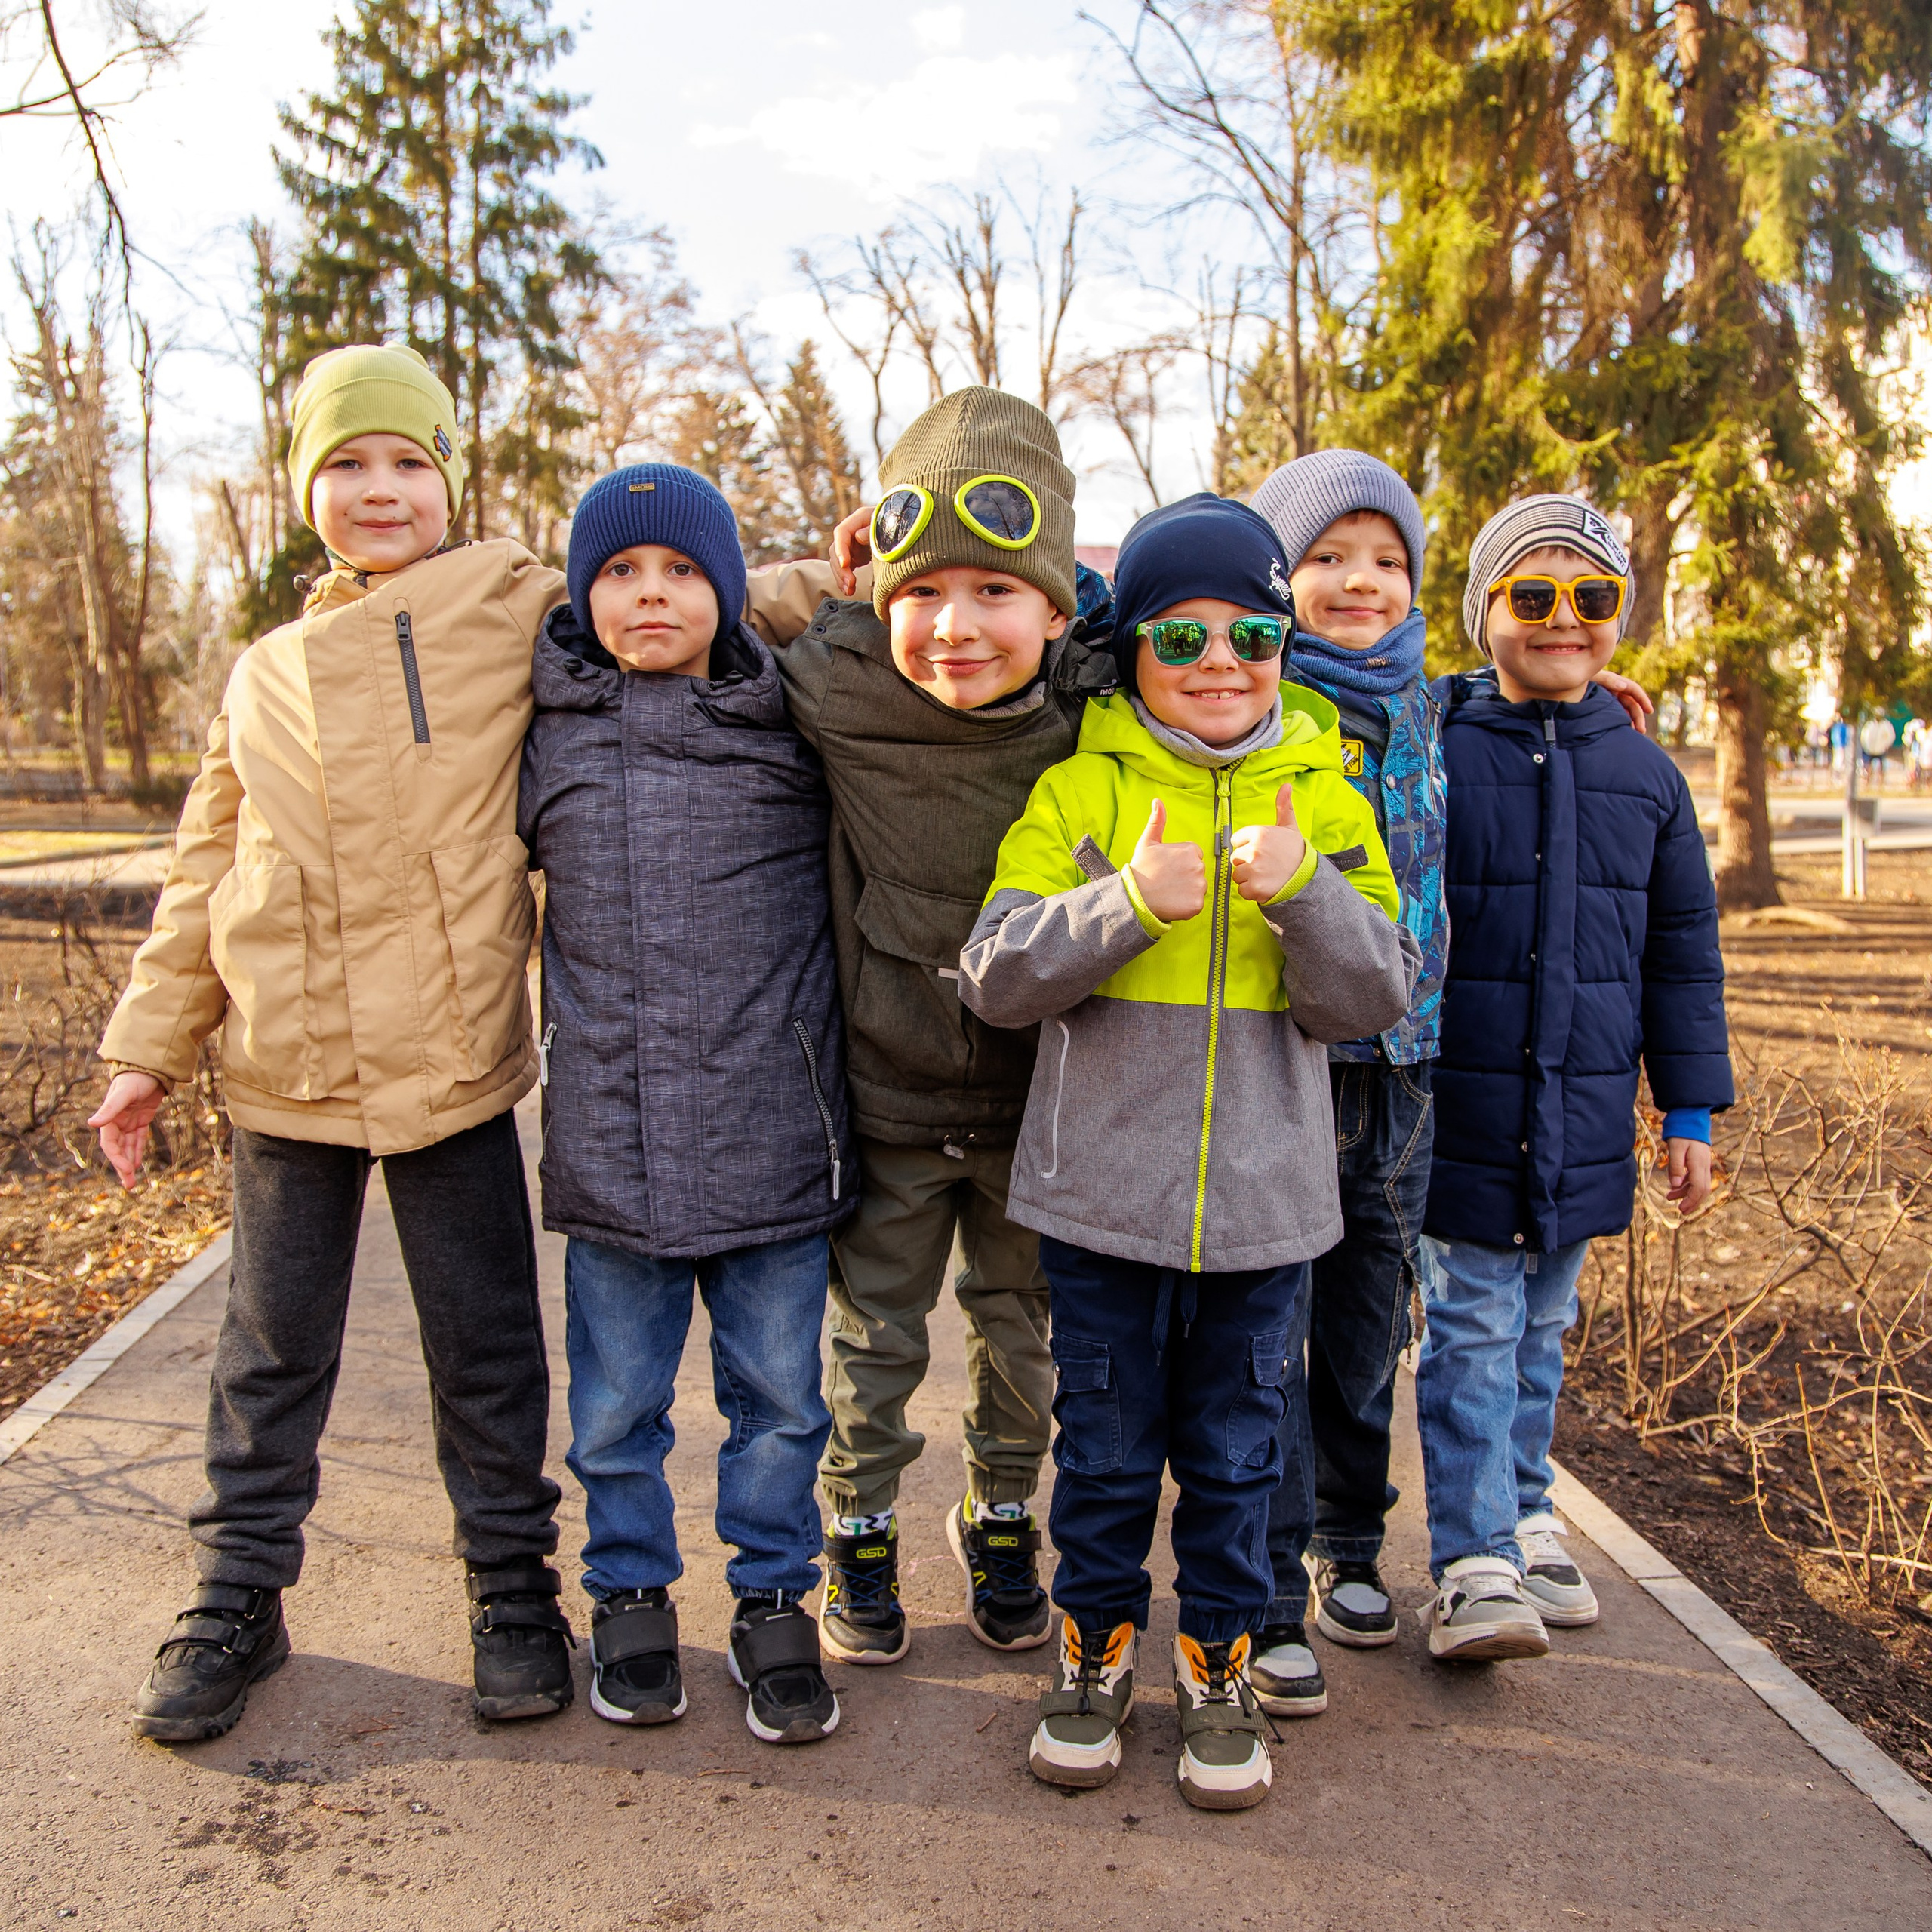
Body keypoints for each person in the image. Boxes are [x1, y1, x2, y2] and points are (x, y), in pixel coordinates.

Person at [92, 345, 573, 1740]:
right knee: (268, 1348)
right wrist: (148, 1046)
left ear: (450, 478)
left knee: (484, 1343)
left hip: (451, 1062)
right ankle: (238, 1590)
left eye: (409, 462)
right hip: (285, 1063)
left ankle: (510, 1586)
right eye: (348, 465)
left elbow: (676, 593)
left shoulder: (514, 604)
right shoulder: (264, 670)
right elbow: (202, 868)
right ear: (305, 487)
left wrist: (862, 574)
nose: (381, 489)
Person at [960, 494, 1413, 1811]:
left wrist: (1305, 893)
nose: (1222, 661)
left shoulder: (1324, 799)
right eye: (1181, 636)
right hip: (1102, 1213)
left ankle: (1215, 1662)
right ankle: (1094, 1651)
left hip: (1268, 1219)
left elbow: (1375, 994)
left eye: (1255, 633)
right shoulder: (1083, 788)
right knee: (1101, 1455)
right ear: (1134, 650)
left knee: (1234, 1459)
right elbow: (995, 974)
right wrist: (1121, 906)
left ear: (1285, 644)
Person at [737, 388, 1116, 1669]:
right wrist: (841, 582)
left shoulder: (1093, 712)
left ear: (1058, 608)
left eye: (998, 594)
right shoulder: (847, 688)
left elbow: (1244, 686)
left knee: (1023, 1331)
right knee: (874, 1338)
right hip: (891, 1097)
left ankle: (1003, 1513)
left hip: (1036, 1103)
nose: (955, 628)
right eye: (923, 593)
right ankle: (857, 1522)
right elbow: (718, 601)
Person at [518, 463, 853, 1745]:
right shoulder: (541, 736)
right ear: (580, 594)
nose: (650, 595)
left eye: (679, 572)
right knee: (614, 1412)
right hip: (614, 1146)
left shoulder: (792, 723)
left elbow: (897, 659)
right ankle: (629, 1595)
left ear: (726, 590)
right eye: (617, 573)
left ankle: (775, 1600)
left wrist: (854, 576)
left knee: (780, 1403)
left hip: (776, 1137)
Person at [1419, 495, 1730, 1662]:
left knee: (1545, 1325)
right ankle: (1470, 1560)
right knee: (1469, 1327)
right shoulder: (1439, 750)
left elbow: (1683, 955)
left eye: (1592, 599)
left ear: (1620, 617)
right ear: (1484, 609)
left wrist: (1688, 1108)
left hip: (1588, 1110)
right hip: (1465, 1105)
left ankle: (1528, 1507)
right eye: (1532, 596)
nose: (1564, 620)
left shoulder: (1647, 776)